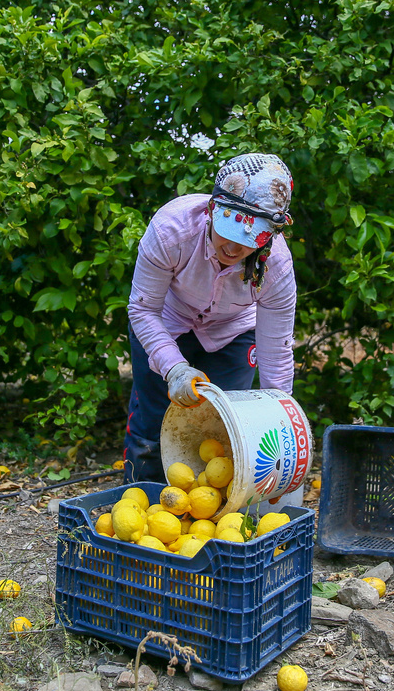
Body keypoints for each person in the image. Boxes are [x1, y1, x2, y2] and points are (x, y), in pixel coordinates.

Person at [123, 153, 298, 483]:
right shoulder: (171, 229)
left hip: (233, 331)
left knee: (225, 432)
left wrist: (281, 418)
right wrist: (174, 367)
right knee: (151, 421)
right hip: (165, 321)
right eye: (228, 231)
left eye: (249, 240)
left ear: (270, 235)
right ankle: (140, 502)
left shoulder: (276, 268)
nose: (232, 248)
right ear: (211, 210)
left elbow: (276, 354)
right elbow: (143, 309)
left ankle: (215, 518)